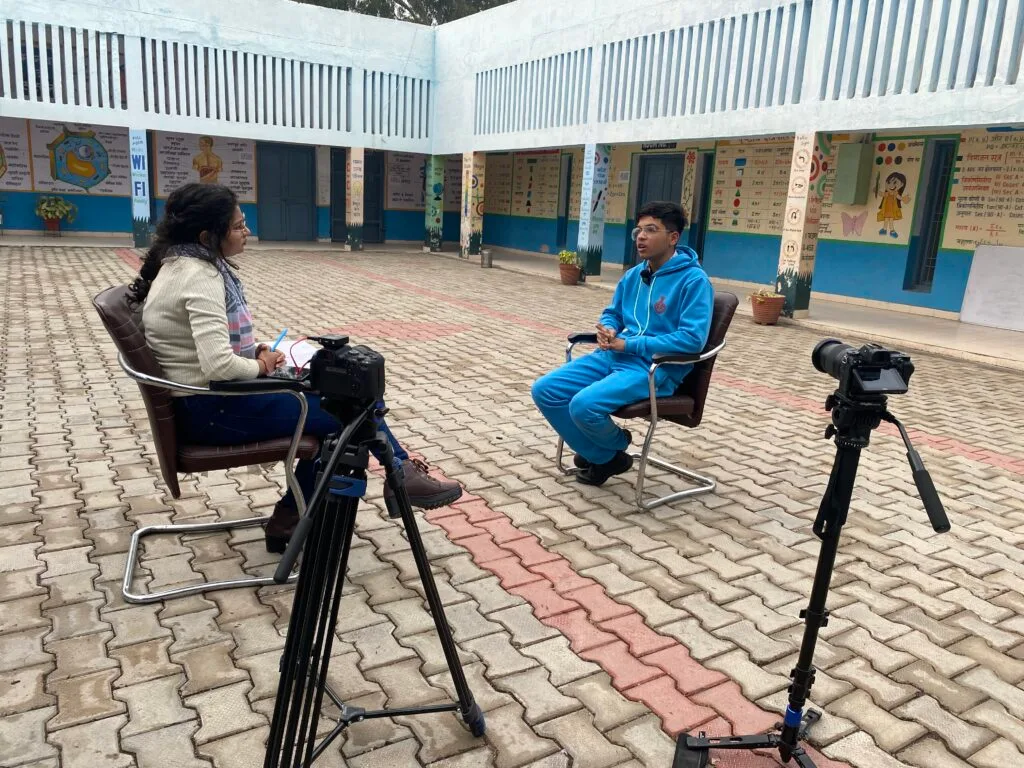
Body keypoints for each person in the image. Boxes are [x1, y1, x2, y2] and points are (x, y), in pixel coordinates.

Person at [130, 183, 462, 553]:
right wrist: (259, 364)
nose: (247, 232)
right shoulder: (200, 276)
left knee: (342, 398)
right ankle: (390, 479)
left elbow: (197, 346)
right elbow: (218, 364)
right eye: (238, 226)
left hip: (205, 401)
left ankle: (303, 514)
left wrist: (255, 351)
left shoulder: (180, 264)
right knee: (351, 414)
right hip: (212, 409)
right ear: (208, 235)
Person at [532, 201, 713, 486]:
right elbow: (614, 312)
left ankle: (608, 449)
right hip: (612, 357)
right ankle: (606, 455)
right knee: (545, 390)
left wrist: (629, 345)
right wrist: (609, 328)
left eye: (651, 230)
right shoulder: (634, 275)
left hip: (654, 369)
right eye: (638, 230)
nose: (641, 237)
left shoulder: (694, 281)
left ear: (673, 237)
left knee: (583, 406)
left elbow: (692, 340)